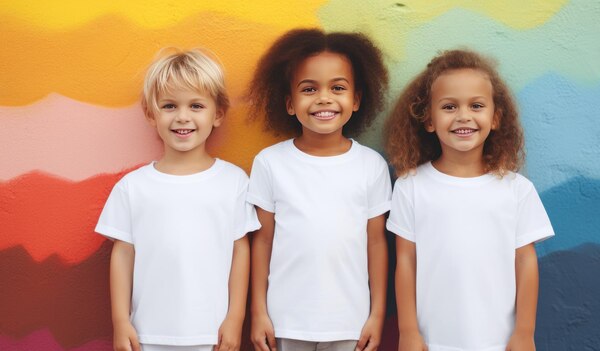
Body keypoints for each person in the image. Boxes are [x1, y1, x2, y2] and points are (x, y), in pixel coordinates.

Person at [385, 49, 554, 351]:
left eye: (476, 105)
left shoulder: (517, 190)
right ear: (428, 120)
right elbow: (406, 262)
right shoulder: (410, 187)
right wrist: (408, 331)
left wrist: (524, 333)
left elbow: (526, 262)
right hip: (432, 342)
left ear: (496, 117)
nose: (464, 116)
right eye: (449, 107)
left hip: (499, 342)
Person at [95, 48, 260, 351]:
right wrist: (121, 322)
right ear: (150, 114)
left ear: (218, 113)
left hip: (212, 336)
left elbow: (240, 252)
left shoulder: (234, 182)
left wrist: (235, 319)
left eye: (196, 105)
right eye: (169, 106)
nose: (182, 117)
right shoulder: (132, 188)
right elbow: (123, 255)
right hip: (148, 336)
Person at [246, 28, 391, 351]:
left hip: (350, 322)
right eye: (309, 88)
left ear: (355, 100)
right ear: (289, 103)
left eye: (337, 87)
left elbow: (377, 243)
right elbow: (263, 241)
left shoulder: (371, 166)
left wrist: (377, 314)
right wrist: (258, 312)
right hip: (286, 320)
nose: (324, 98)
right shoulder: (270, 163)